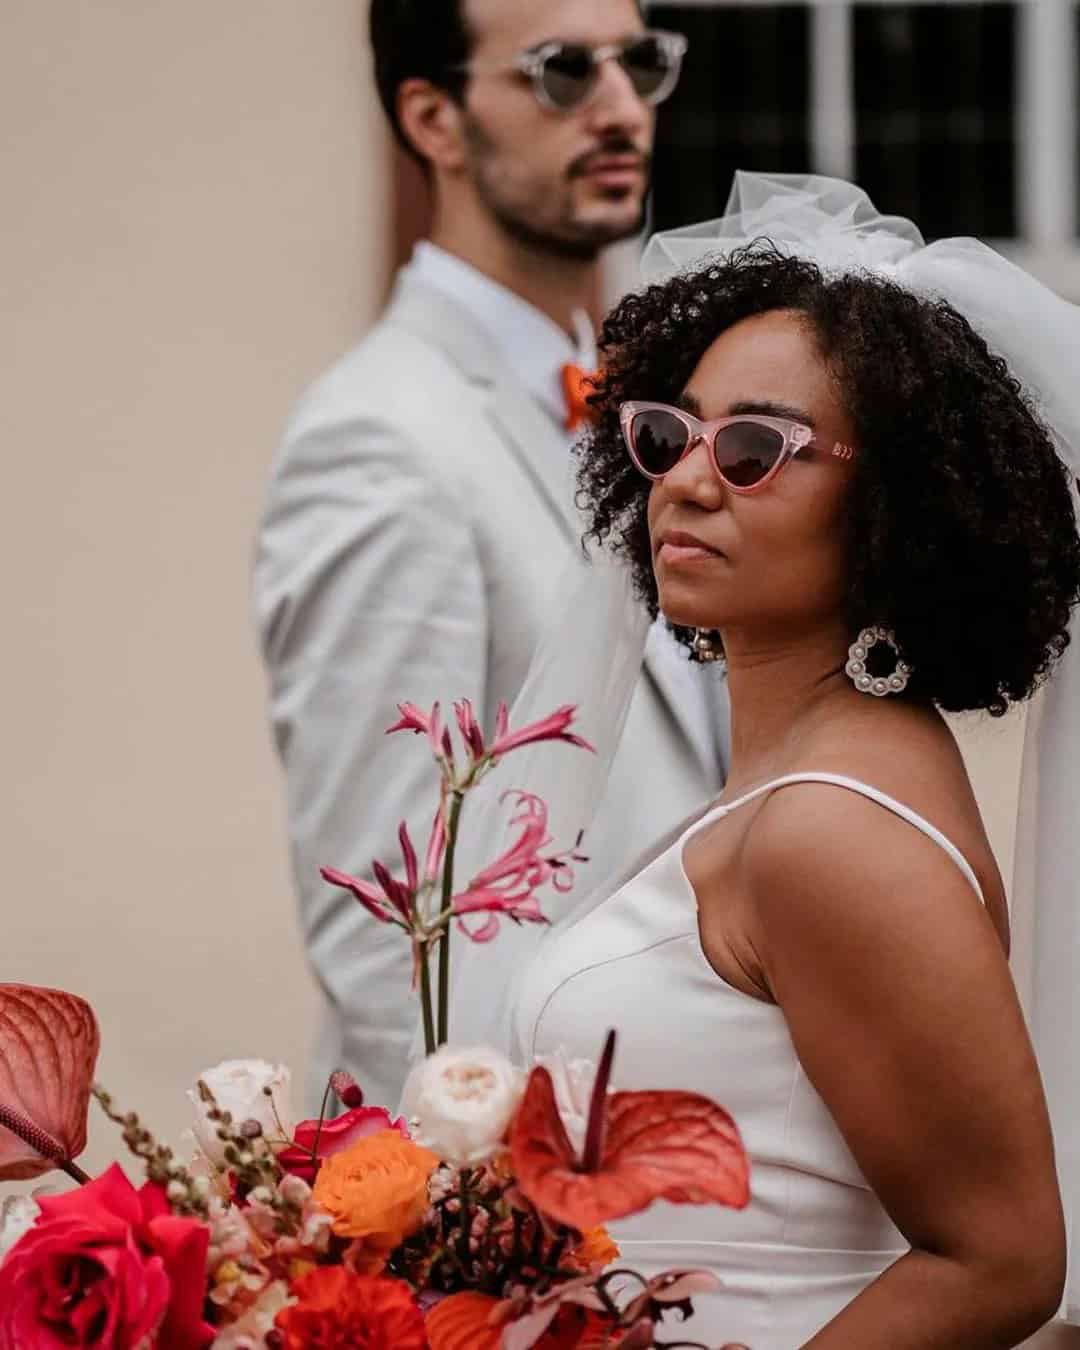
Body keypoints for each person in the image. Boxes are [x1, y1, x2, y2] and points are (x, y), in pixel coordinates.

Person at [506, 174, 1080, 1347]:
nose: (689, 479)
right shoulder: (786, 790)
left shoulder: (836, 831)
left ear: (899, 503)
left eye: (757, 447)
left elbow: (1004, 1260)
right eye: (667, 436)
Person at [253, 0, 728, 1111]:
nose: (619, 109)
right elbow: (391, 929)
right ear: (435, 118)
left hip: (670, 1138)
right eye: (562, 73)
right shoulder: (378, 436)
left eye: (639, 64)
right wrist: (490, 1230)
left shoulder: (645, 409)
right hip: (518, 1183)